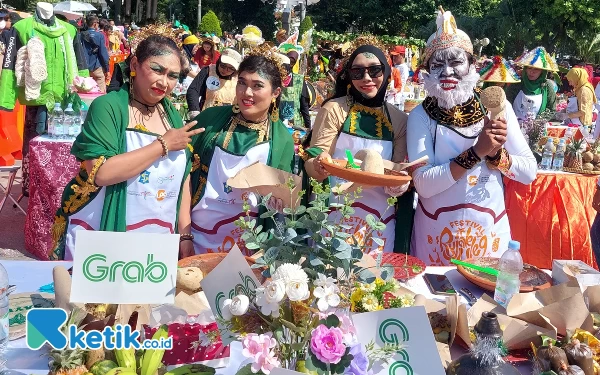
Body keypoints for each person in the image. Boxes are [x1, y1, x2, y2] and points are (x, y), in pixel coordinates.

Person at [50, 35, 205, 261]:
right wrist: (163, 144)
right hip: (103, 231)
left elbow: (182, 179)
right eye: (157, 70)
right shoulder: (109, 106)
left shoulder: (170, 113)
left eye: (173, 76)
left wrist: (184, 235)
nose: (164, 82)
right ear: (134, 65)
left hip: (156, 239)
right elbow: (101, 173)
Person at [407, 8, 537, 266]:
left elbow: (529, 172)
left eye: (455, 62)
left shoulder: (497, 109)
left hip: (489, 232)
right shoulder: (420, 116)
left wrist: (497, 155)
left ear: (471, 66)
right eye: (438, 64)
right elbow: (423, 184)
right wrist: (478, 152)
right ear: (427, 70)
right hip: (435, 235)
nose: (447, 72)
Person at [303, 45, 413, 254]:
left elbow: (397, 171)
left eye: (374, 70)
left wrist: (400, 184)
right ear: (348, 75)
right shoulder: (334, 109)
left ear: (387, 72)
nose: (366, 78)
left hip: (379, 221)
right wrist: (318, 165)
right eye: (357, 71)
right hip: (333, 213)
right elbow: (312, 162)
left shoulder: (399, 120)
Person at [185, 52, 295, 256]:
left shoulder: (282, 140)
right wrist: (184, 236)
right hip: (197, 236)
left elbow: (282, 201)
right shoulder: (210, 120)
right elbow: (182, 176)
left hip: (250, 244)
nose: (247, 92)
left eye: (258, 85)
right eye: (242, 83)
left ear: (276, 92)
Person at [186, 48, 242, 119]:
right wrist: (195, 112)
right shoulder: (208, 71)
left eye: (231, 68)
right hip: (207, 117)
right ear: (219, 61)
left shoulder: (239, 78)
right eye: (223, 65)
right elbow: (194, 90)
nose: (225, 70)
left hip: (229, 120)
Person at [506, 47, 558, 120]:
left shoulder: (547, 86)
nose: (532, 72)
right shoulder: (517, 83)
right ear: (525, 69)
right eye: (529, 68)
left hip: (537, 128)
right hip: (516, 127)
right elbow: (507, 104)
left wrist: (537, 123)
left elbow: (551, 109)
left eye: (536, 69)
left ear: (542, 71)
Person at [278, 44, 311, 129]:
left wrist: (308, 128)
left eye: (293, 62)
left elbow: (304, 107)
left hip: (295, 127)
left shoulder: (299, 80)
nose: (290, 65)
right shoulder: (275, 79)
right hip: (277, 124)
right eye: (289, 61)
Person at [558, 68, 598, 132]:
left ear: (576, 79)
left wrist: (567, 115)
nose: (570, 84)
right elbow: (577, 105)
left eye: (570, 81)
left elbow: (583, 112)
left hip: (582, 125)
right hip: (576, 122)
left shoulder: (583, 90)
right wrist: (564, 110)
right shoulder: (579, 88)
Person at [81, 15, 110, 93]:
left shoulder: (80, 35)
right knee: (100, 92)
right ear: (94, 24)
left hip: (84, 67)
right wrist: (107, 69)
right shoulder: (100, 35)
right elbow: (103, 54)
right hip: (97, 67)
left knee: (85, 91)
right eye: (98, 23)